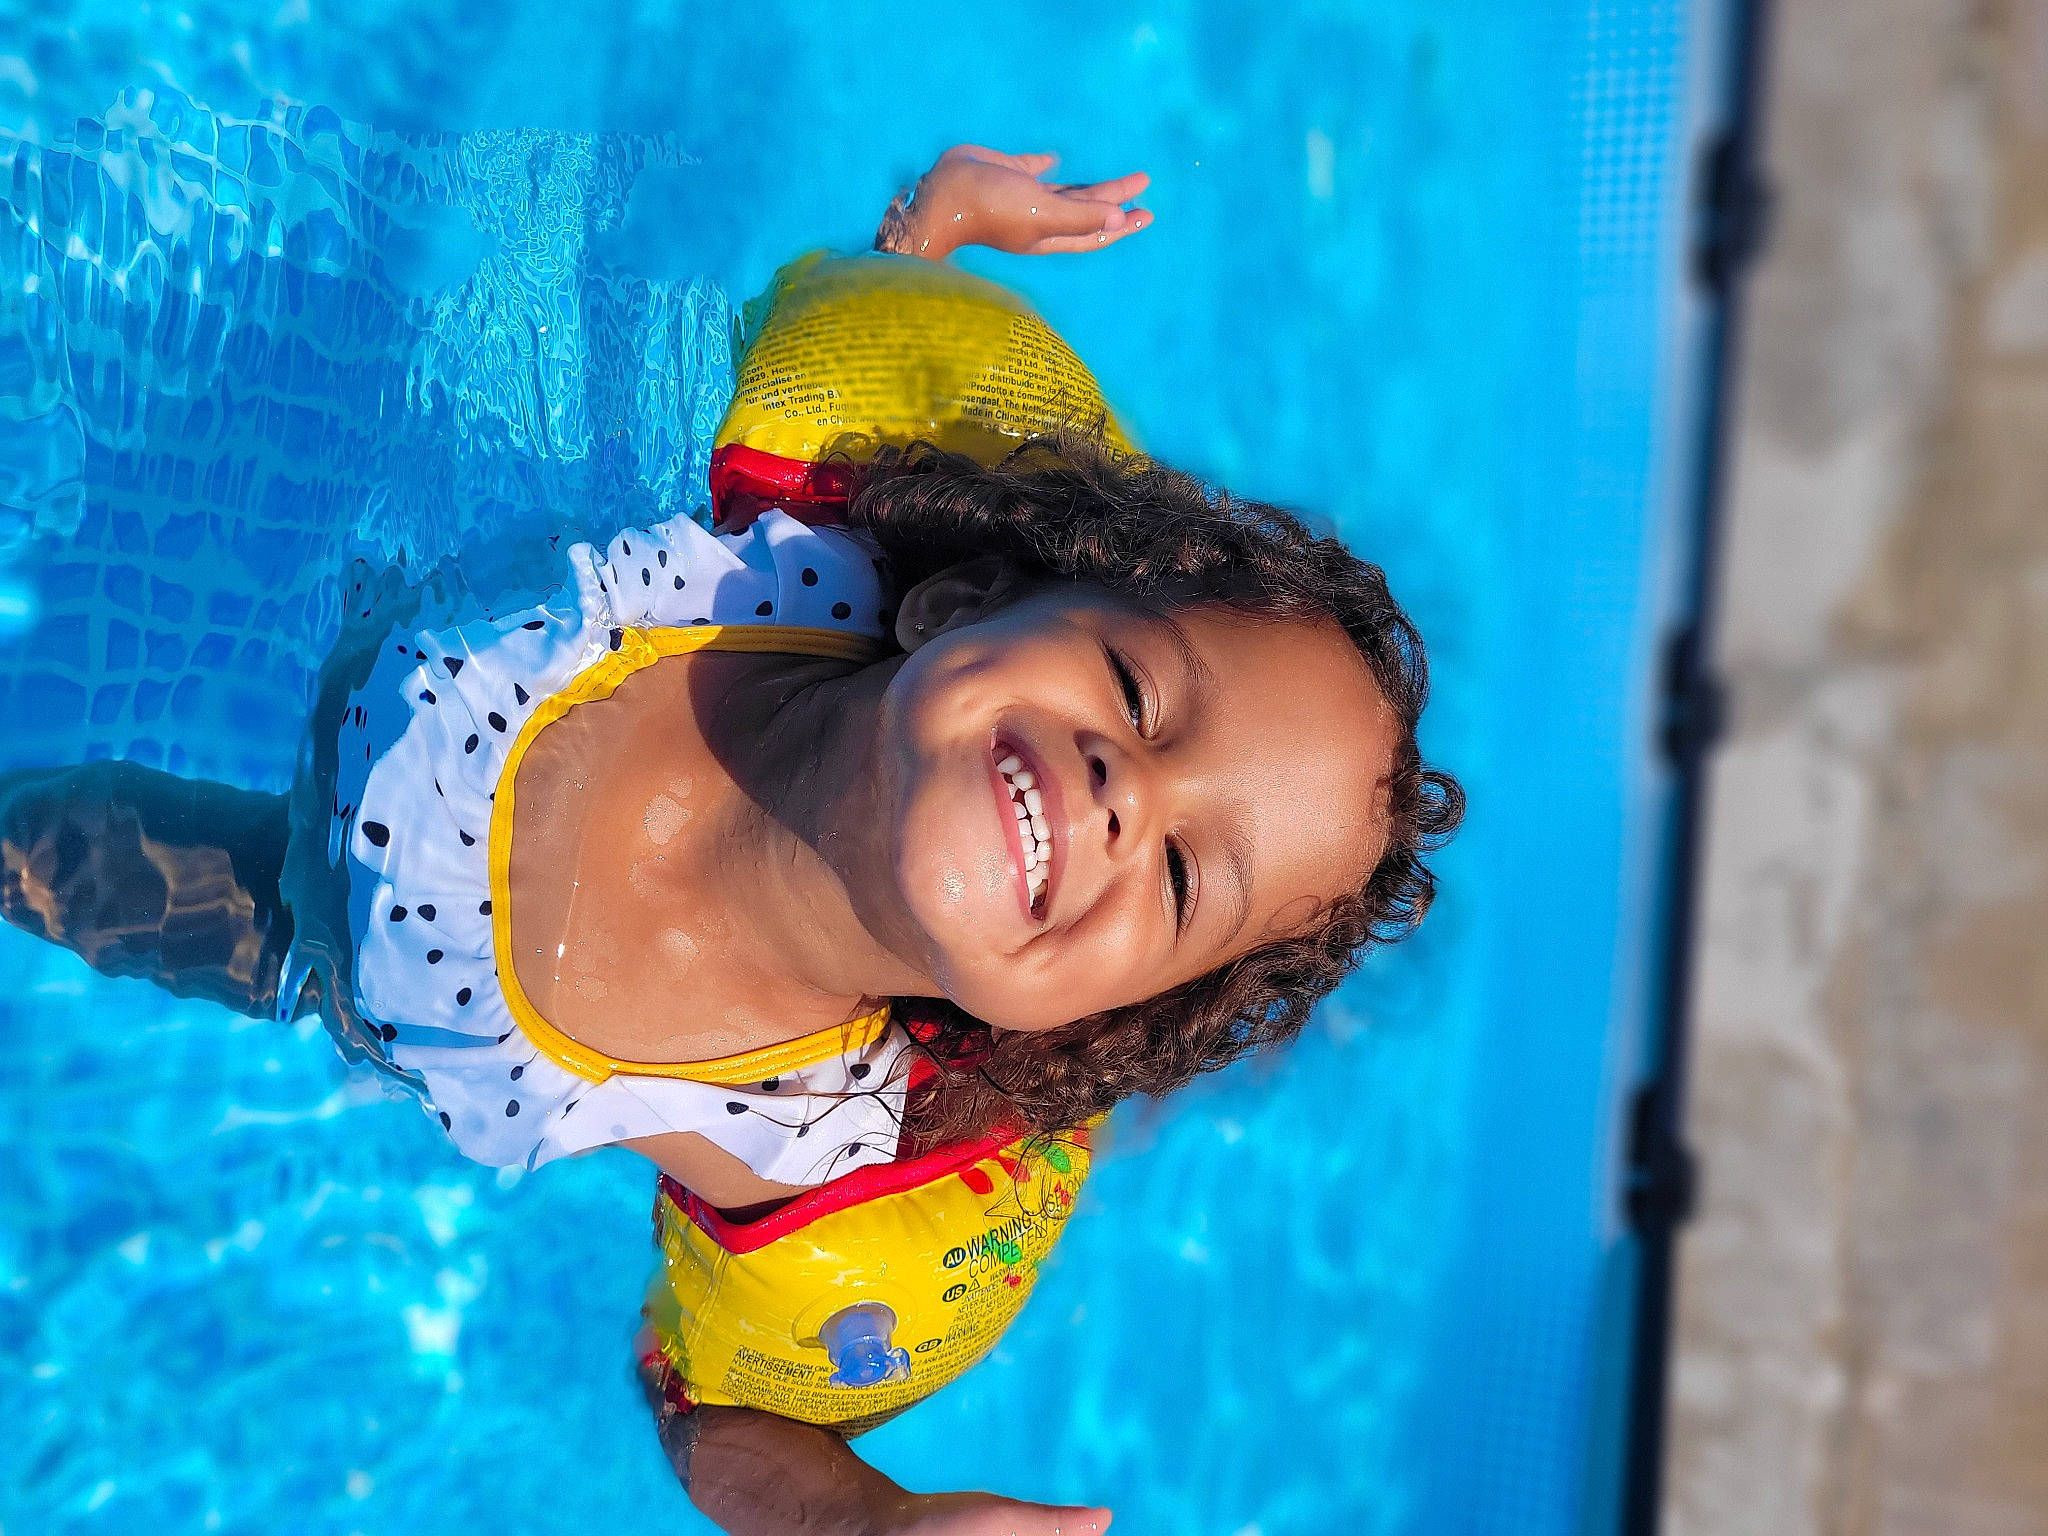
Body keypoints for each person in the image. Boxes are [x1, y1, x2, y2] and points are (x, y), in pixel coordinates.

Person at [0, 145, 1462, 1535]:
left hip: (316, 919)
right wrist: (925, 244)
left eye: (1185, 879)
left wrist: (862, 1521)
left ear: (1084, 1022)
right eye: (1139, 692)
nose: (1129, 796)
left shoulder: (849, 1183)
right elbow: (882, 343)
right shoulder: (814, 494)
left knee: (82, 858)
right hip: (406, 627)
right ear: (962, 610)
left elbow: (711, 1413)